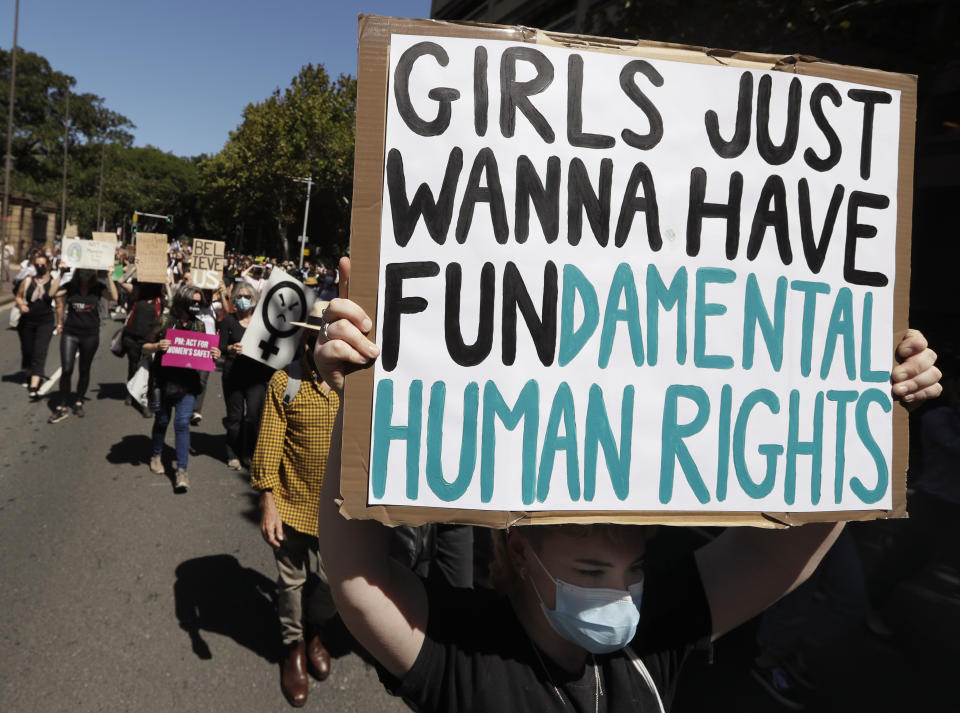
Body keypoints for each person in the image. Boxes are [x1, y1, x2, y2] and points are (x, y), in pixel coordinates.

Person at [310, 257, 943, 713]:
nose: (621, 596)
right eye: (589, 570)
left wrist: (865, 406)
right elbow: (360, 584)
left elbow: (775, 552)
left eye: (634, 569)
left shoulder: (652, 638)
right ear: (518, 551)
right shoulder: (463, 653)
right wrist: (358, 400)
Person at [249, 299, 339, 707]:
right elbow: (269, 445)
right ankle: (293, 647)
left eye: (331, 334)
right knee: (291, 583)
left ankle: (317, 630)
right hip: (292, 505)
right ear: (305, 338)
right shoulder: (285, 384)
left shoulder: (355, 386)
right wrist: (267, 501)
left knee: (333, 584)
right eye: (317, 332)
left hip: (340, 513)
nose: (324, 340)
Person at [141, 284, 221, 492]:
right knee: (162, 420)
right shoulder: (165, 321)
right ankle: (156, 454)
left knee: (183, 423)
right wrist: (157, 346)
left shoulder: (199, 325)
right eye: (193, 302)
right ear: (183, 300)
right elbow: (143, 346)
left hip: (187, 383)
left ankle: (181, 470)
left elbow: (204, 353)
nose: (196, 305)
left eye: (199, 302)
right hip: (164, 380)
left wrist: (214, 354)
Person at [48, 268, 118, 423]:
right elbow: (51, 293)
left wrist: (108, 276)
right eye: (82, 271)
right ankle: (62, 403)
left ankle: (79, 400)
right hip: (70, 333)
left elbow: (114, 296)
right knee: (67, 369)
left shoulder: (98, 287)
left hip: (90, 334)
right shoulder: (70, 286)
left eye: (88, 271)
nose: (85, 274)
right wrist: (60, 274)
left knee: (84, 369)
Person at [219, 283, 274, 469]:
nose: (243, 300)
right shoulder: (228, 321)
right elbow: (220, 347)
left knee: (252, 417)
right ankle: (231, 451)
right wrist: (230, 348)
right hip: (233, 376)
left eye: (247, 297)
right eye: (240, 297)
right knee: (235, 419)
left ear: (254, 300)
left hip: (256, 377)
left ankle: (248, 452)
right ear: (234, 300)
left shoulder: (262, 323)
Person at [118, 279, 166, 415]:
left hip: (149, 340)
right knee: (133, 365)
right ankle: (131, 392)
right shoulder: (138, 294)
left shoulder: (161, 300)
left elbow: (173, 305)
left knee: (147, 369)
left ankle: (145, 397)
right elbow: (121, 282)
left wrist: (167, 284)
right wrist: (134, 267)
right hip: (132, 337)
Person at [14, 251, 57, 400]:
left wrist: (61, 323)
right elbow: (18, 296)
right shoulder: (27, 281)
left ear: (48, 266)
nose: (39, 267)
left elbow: (59, 304)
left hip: (45, 322)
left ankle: (34, 384)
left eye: (42, 265)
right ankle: (29, 371)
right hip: (27, 322)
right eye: (37, 265)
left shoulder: (52, 282)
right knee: (28, 351)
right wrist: (21, 305)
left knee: (40, 352)